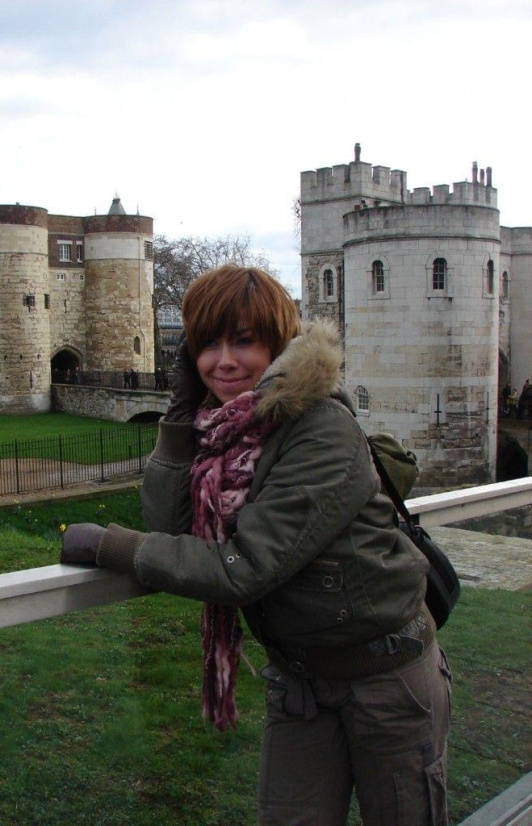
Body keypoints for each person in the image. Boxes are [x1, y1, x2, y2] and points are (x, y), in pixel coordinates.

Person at [61, 265, 451, 826]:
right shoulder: (223, 430)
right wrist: (177, 420)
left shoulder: (319, 427)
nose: (223, 361)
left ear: (277, 344)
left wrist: (109, 546)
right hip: (298, 680)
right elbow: (172, 531)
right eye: (207, 344)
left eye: (243, 341)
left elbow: (242, 568)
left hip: (387, 681)